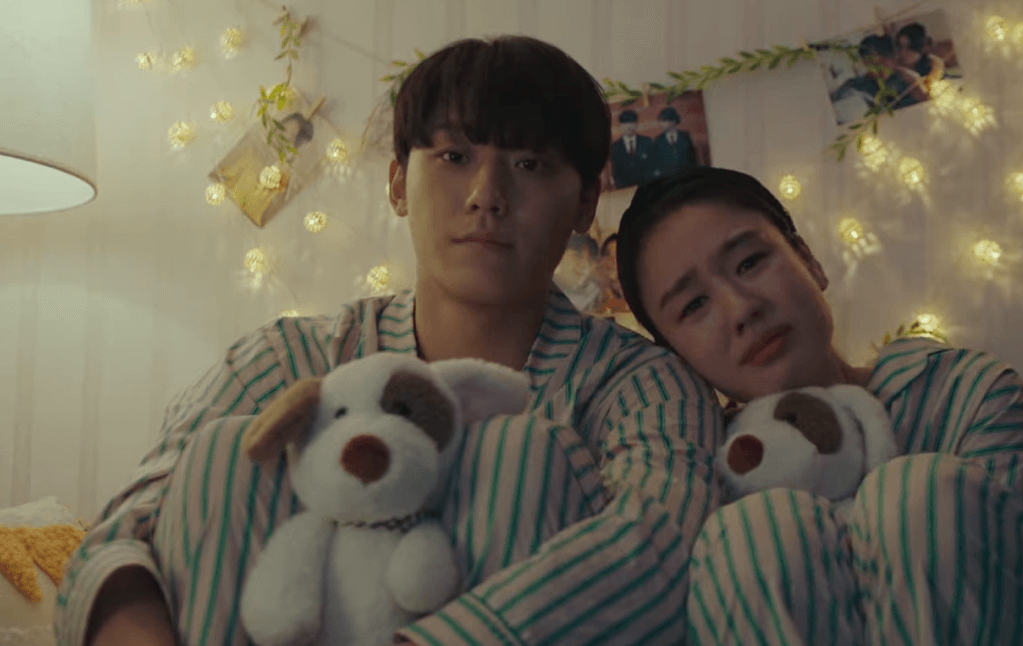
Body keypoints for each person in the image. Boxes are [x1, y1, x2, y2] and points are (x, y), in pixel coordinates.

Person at [57, 35, 724, 646]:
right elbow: (121, 535)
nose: (487, 195)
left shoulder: (638, 385)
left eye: (530, 163)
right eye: (454, 157)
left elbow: (657, 551)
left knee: (521, 455)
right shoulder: (289, 359)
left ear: (583, 203)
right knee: (228, 450)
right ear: (399, 183)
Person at [614, 166, 1023, 645]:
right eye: (694, 306)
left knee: (918, 494)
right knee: (754, 534)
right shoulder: (697, 485)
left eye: (749, 263)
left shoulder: (965, 397)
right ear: (676, 359)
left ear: (809, 260)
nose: (742, 308)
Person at [649, 106, 698, 180]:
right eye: (660, 121)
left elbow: (693, 158)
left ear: (673, 121)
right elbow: (656, 163)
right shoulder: (658, 140)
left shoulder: (685, 137)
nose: (661, 124)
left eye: (664, 121)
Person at [610, 109, 653, 189]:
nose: (629, 126)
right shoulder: (614, 147)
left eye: (631, 122)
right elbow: (616, 173)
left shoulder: (647, 142)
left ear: (636, 124)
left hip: (647, 187)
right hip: (625, 190)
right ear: (620, 126)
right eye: (625, 123)